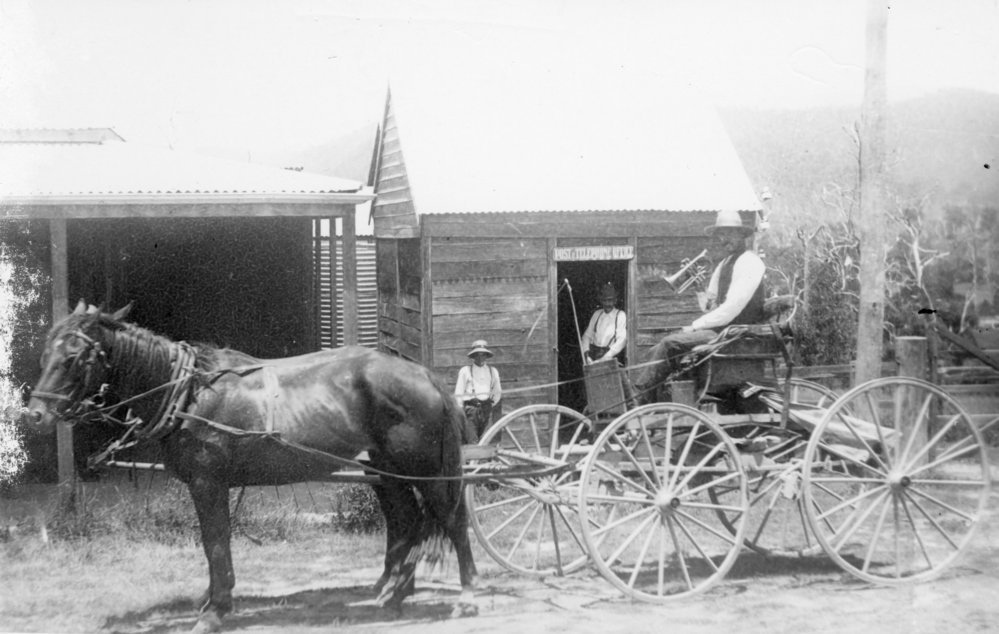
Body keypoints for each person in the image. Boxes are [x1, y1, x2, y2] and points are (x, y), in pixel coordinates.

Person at [634, 209, 766, 403]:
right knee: (664, 343)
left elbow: (730, 310)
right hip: (722, 332)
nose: (723, 239)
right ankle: (654, 398)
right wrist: (698, 287)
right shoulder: (724, 264)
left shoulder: (750, 262)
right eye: (720, 234)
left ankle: (640, 399)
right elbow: (708, 307)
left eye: (729, 233)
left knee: (670, 344)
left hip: (735, 335)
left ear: (741, 235)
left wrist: (695, 326)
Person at [454, 339, 502, 441]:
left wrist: (488, 405)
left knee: (486, 440)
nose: (480, 358)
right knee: (472, 441)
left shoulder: (493, 371)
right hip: (471, 411)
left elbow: (497, 393)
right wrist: (463, 411)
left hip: (487, 410)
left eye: (483, 355)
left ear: (486, 356)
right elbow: (458, 394)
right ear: (473, 356)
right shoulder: (465, 371)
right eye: (477, 355)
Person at [581, 282, 627, 365]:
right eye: (604, 300)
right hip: (593, 357)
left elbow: (622, 340)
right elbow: (586, 336)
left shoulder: (620, 315)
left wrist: (606, 357)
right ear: (601, 301)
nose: (607, 304)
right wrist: (587, 355)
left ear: (615, 301)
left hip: (610, 357)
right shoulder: (597, 314)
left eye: (610, 300)